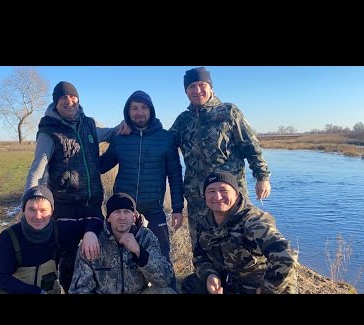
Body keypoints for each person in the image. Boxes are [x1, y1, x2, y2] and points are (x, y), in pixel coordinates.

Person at [22, 81, 129, 293]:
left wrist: (124, 125)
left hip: (92, 205)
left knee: (96, 255)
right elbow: (37, 169)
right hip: (64, 207)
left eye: (72, 97)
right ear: (56, 102)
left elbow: (111, 133)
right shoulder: (49, 132)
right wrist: (26, 203)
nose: (68, 101)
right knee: (67, 260)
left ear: (78, 99)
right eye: (63, 98)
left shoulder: (89, 124)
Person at [168, 66, 272, 250]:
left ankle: (238, 278)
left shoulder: (228, 112)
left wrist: (262, 177)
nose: (197, 90)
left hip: (229, 192)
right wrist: (128, 127)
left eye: (201, 85)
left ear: (211, 88)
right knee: (201, 242)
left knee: (238, 240)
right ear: (186, 92)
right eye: (191, 86)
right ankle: (206, 276)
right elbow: (163, 142)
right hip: (197, 195)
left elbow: (251, 146)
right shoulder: (183, 121)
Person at [99, 90, 184, 291]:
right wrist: (90, 142)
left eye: (144, 108)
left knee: (162, 259)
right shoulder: (120, 138)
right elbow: (101, 166)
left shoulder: (166, 138)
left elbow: (174, 174)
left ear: (151, 111)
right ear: (128, 112)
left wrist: (178, 208)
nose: (139, 113)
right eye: (134, 108)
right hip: (123, 213)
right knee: (121, 260)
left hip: (154, 211)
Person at [181, 172, 298, 294]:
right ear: (204, 196)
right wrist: (210, 275)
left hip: (257, 284)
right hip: (229, 280)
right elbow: (200, 256)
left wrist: (267, 289)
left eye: (224, 190)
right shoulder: (204, 220)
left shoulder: (253, 221)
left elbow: (286, 255)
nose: (217, 196)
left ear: (236, 194)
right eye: (211, 191)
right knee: (191, 285)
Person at [0, 185, 103, 294]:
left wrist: (90, 233)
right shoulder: (8, 236)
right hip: (19, 291)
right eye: (32, 210)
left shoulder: (60, 228)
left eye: (43, 210)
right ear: (24, 211)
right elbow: (1, 278)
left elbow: (95, 221)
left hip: (50, 291)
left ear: (52, 211)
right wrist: (36, 292)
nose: (38, 216)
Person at [68, 193, 176, 294]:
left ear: (133, 217)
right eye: (117, 212)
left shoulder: (145, 237)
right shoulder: (93, 242)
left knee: (165, 291)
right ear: (108, 218)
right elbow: (80, 288)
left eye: (127, 211)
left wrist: (140, 253)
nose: (122, 217)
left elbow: (164, 280)